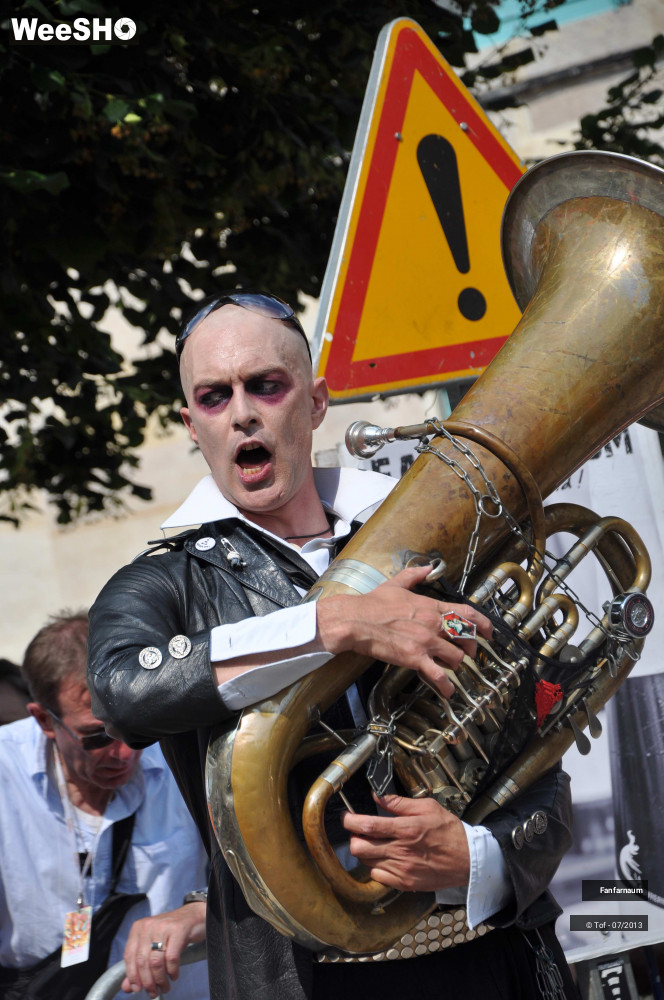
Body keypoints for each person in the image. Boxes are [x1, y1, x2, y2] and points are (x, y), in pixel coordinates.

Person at [87, 291, 578, 1000]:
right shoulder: (163, 582)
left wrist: (477, 858)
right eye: (215, 397)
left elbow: (539, 762)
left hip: (496, 965)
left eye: (266, 385)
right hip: (308, 983)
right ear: (192, 425)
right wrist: (333, 624)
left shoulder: (435, 544)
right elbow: (121, 690)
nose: (243, 413)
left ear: (316, 402)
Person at [0, 612, 210, 1000]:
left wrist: (200, 909)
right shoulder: (5, 773)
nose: (125, 752)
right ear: (44, 720)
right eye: (97, 736)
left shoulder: (189, 751)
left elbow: (265, 875)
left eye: (136, 727)